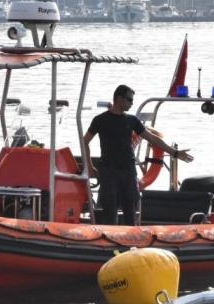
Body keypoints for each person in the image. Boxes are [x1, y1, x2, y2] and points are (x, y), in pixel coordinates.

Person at [83, 84, 194, 225]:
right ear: (118, 98)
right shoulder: (100, 120)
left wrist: (175, 153)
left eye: (132, 100)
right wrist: (89, 166)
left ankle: (132, 240)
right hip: (109, 171)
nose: (132, 103)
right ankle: (110, 240)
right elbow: (85, 141)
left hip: (129, 171)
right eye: (129, 99)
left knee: (130, 210)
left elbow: (152, 138)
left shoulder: (131, 120)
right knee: (109, 212)